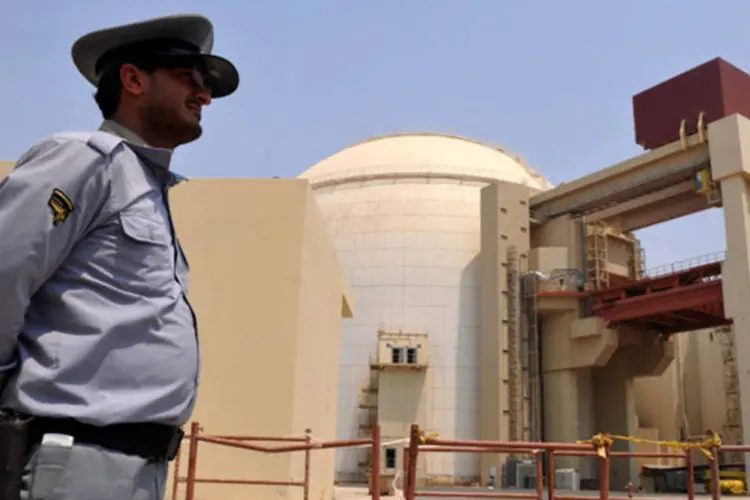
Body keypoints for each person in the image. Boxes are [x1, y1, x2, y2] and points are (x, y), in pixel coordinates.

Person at [0, 14, 239, 500]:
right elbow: (6, 270)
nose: (204, 95)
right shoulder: (85, 159)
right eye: (187, 78)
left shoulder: (144, 186)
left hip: (133, 464)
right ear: (133, 79)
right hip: (79, 455)